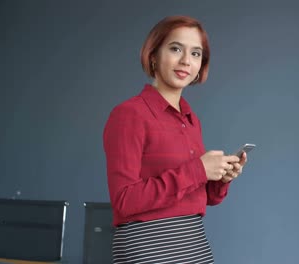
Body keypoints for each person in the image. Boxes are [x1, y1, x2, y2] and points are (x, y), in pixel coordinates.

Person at [103, 15, 248, 264]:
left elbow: (204, 197)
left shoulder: (191, 119)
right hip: (148, 248)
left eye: (195, 54)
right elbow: (124, 201)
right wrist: (199, 169)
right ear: (153, 55)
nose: (185, 61)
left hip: (194, 244)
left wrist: (220, 179)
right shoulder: (129, 114)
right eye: (175, 49)